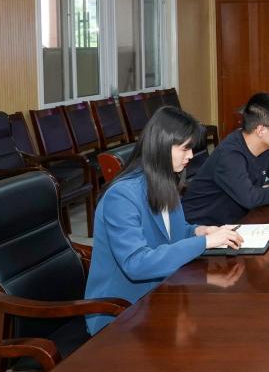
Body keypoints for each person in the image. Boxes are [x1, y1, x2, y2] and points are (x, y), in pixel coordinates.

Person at [85, 107, 243, 334]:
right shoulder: (122, 196)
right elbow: (136, 264)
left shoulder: (165, 181)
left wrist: (198, 231)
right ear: (161, 145)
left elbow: (171, 235)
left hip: (162, 293)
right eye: (185, 148)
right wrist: (204, 243)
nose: (191, 156)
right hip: (122, 312)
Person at [182, 92, 269, 225]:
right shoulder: (230, 154)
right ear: (261, 130)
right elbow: (250, 199)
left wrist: (268, 187)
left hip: (236, 220)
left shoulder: (265, 148)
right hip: (201, 227)